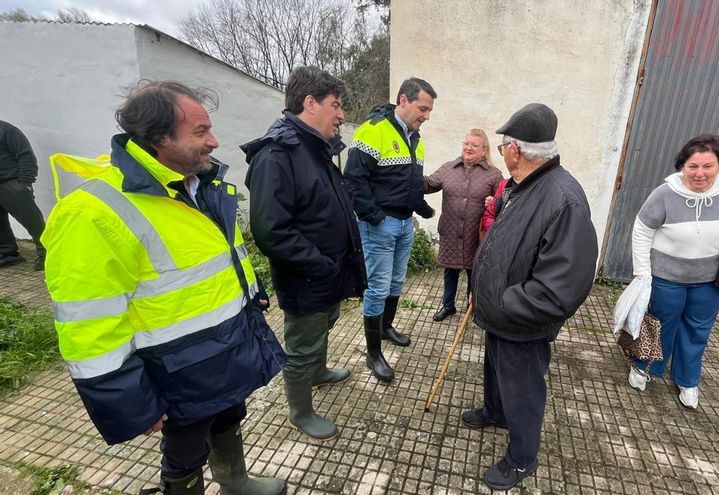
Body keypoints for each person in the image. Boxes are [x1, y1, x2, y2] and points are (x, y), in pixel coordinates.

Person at [41, 81, 288, 495]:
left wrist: (252, 291)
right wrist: (131, 400)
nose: (214, 141)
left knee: (229, 414)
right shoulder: (92, 212)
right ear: (159, 138)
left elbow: (222, 254)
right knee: (186, 446)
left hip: (224, 349)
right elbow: (88, 325)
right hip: (175, 368)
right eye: (200, 132)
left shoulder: (197, 184)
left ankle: (234, 480)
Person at [466, 103, 598, 491]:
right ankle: (495, 412)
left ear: (516, 150)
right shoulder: (524, 185)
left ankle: (522, 458)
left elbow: (562, 287)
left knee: (523, 388)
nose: (503, 150)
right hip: (498, 312)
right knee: (495, 370)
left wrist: (507, 304)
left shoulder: (563, 199)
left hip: (520, 322)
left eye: (505, 144)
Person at [242, 66, 366, 441]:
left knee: (323, 325)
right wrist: (321, 265)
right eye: (336, 105)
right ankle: (299, 411)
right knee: (302, 344)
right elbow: (270, 231)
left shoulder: (314, 148)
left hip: (327, 271)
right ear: (309, 103)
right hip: (308, 275)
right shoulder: (277, 154)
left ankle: (318, 372)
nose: (342, 114)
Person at [624, 134, 719, 409]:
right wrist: (642, 272)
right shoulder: (664, 194)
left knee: (698, 329)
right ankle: (645, 367)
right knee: (660, 325)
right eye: (692, 166)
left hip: (710, 278)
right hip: (665, 276)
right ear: (681, 166)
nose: (700, 173)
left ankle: (687, 379)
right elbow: (642, 230)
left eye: (707, 166)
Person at [344, 77, 436, 382]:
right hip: (378, 225)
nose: (427, 115)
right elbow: (355, 180)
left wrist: (420, 208)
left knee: (397, 281)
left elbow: (406, 183)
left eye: (430, 110)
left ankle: (385, 328)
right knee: (378, 287)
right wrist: (376, 217)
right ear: (404, 101)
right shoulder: (374, 130)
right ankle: (373, 354)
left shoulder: (415, 138)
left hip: (404, 223)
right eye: (423, 108)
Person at [424, 128, 502, 321]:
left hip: (475, 234)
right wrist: (409, 173)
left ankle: (472, 307)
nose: (468, 148)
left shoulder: (493, 174)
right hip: (451, 230)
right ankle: (448, 305)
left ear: (484, 150)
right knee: (450, 270)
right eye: (466, 143)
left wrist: (494, 201)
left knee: (473, 271)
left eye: (474, 145)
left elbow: (503, 199)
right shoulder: (448, 168)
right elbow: (427, 184)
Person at [0, 120, 47, 271]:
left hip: (12, 183)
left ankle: (48, 254)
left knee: (33, 222)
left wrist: (25, 183)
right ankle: (8, 254)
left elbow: (26, 156)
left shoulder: (7, 130)